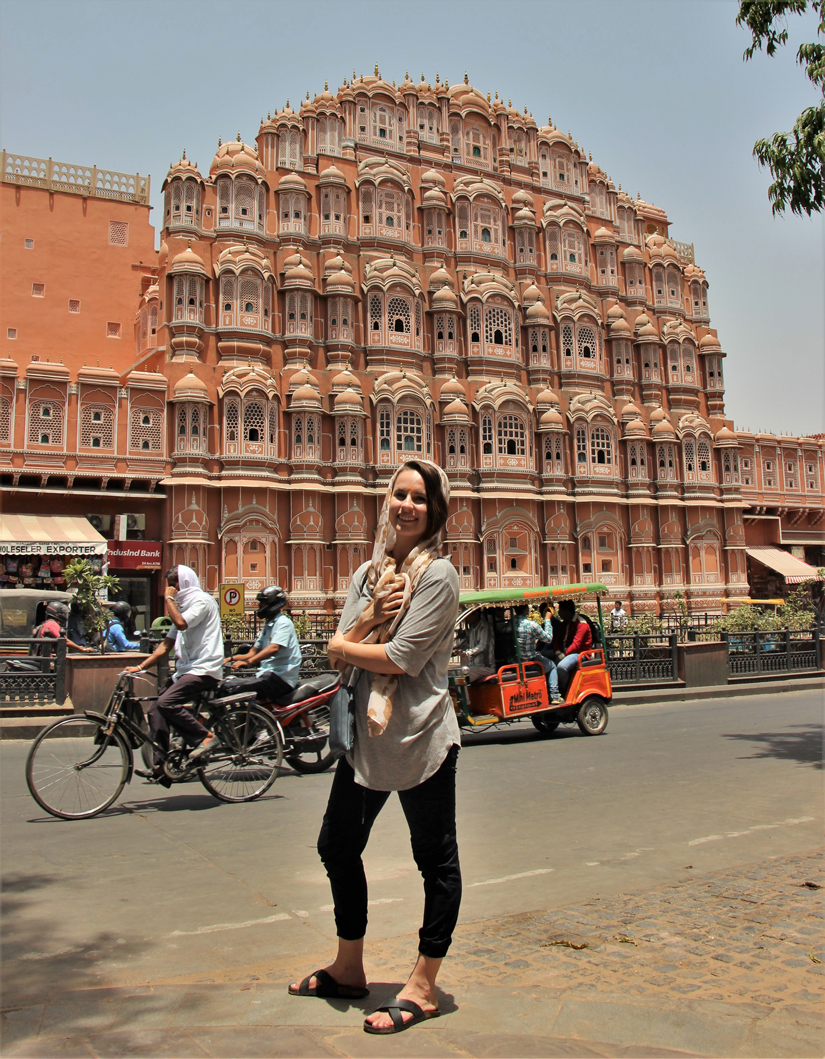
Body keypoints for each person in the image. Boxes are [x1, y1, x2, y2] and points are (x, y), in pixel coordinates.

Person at [289, 460, 461, 1036]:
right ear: (387, 501)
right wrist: (363, 621)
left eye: (419, 497)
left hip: (420, 738)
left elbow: (400, 658)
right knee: (336, 846)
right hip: (368, 739)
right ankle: (349, 964)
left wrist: (347, 639)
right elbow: (344, 643)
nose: (407, 505)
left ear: (434, 511)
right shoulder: (369, 572)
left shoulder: (438, 576)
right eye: (399, 494)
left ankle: (423, 983)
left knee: (435, 861)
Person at [125, 566, 224, 784]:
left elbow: (181, 623)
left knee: (166, 702)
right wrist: (140, 667)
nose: (171, 590)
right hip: (187, 669)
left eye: (173, 585)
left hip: (204, 669)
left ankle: (206, 738)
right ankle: (162, 766)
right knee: (155, 710)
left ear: (183, 584)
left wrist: (168, 600)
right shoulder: (183, 606)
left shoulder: (202, 601)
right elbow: (166, 645)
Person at [222, 585, 303, 701]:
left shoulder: (283, 623)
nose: (259, 606)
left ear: (273, 603)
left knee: (239, 691)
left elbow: (273, 648)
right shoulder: (268, 625)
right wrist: (229, 659)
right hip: (268, 675)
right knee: (228, 686)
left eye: (263, 602)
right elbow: (252, 652)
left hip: (281, 678)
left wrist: (249, 662)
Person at [513, 604, 564, 705]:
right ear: (526, 610)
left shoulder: (509, 625)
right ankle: (554, 695)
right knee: (552, 665)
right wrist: (548, 620)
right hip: (529, 663)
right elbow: (548, 638)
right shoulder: (531, 625)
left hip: (514, 662)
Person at [552, 598, 594, 695]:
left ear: (567, 611)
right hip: (565, 651)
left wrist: (562, 656)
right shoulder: (565, 623)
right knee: (543, 656)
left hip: (580, 654)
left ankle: (563, 691)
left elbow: (576, 645)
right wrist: (557, 652)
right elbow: (557, 639)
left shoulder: (582, 624)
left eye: (560, 610)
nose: (558, 613)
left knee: (562, 667)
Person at [459, 607, 495, 683]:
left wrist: (467, 653)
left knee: (462, 676)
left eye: (467, 615)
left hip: (485, 667)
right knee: (453, 672)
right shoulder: (471, 629)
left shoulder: (484, 627)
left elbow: (482, 646)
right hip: (473, 666)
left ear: (476, 614)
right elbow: (464, 644)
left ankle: (464, 695)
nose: (466, 618)